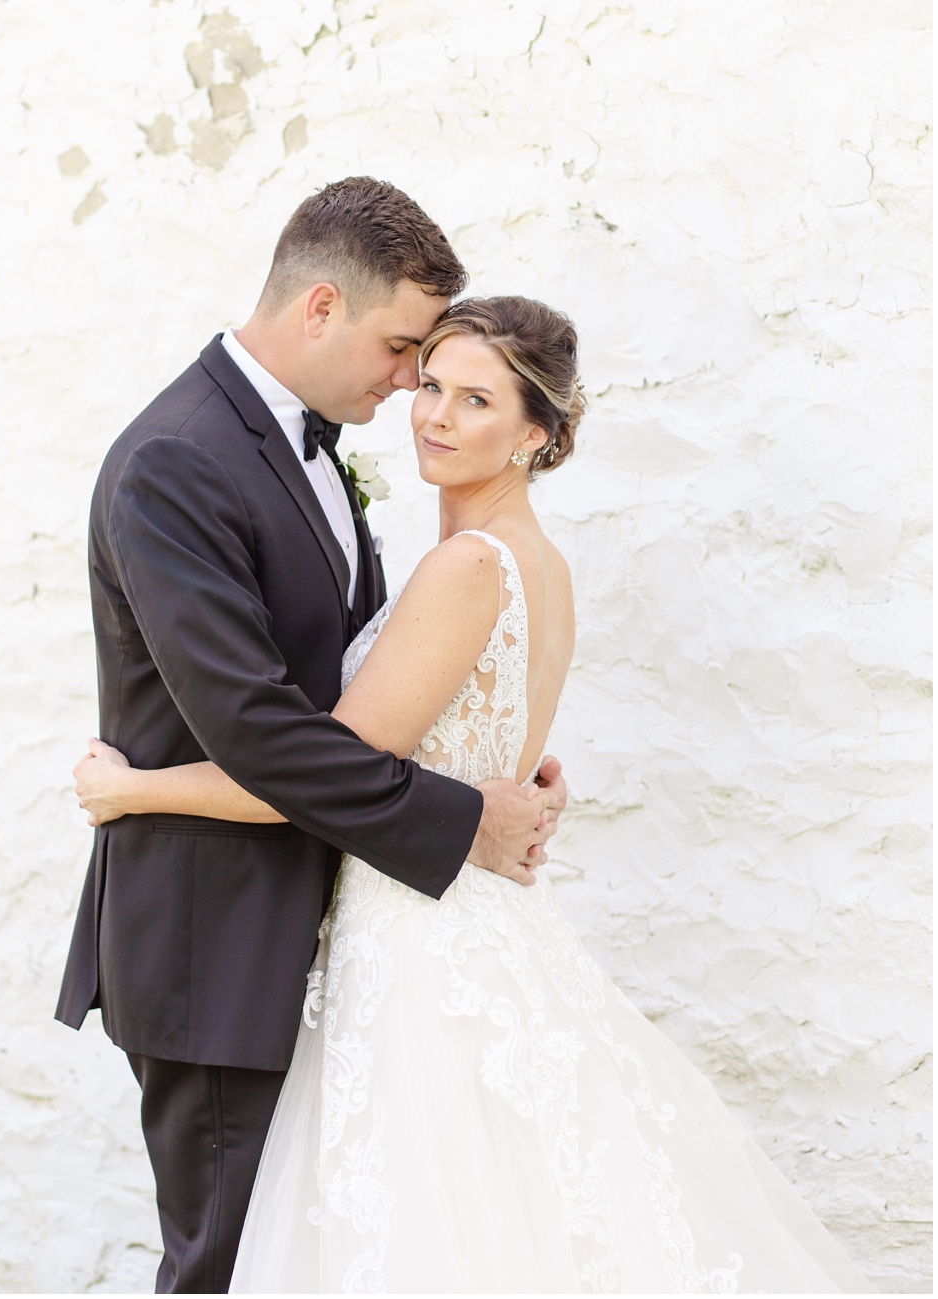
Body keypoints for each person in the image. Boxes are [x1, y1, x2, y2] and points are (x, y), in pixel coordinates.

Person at [75, 297, 871, 1291]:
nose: (435, 414)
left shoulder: (463, 568)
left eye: (477, 398)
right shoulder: (542, 567)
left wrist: (135, 787)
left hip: (417, 944)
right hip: (487, 920)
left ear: (536, 432)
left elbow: (308, 775)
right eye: (433, 384)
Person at [53, 177, 565, 1293]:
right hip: (215, 939)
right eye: (400, 351)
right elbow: (259, 726)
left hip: (330, 935)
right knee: (228, 1267)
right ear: (321, 307)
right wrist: (462, 813)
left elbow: (356, 680)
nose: (409, 386)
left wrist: (477, 753)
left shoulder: (312, 448)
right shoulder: (177, 458)